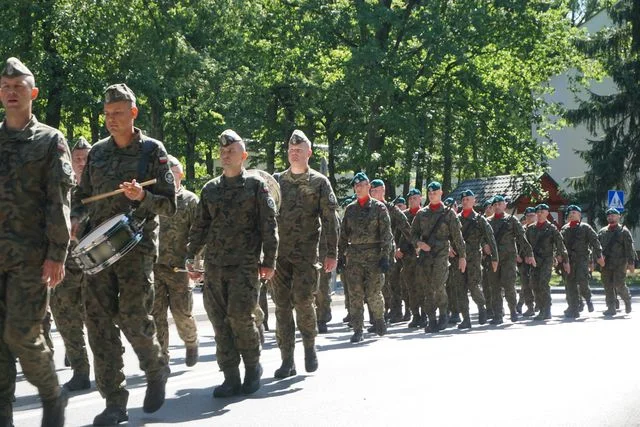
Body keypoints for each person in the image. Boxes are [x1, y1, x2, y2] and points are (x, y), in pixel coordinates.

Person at [71, 83, 176, 425]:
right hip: (99, 250)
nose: (111, 119)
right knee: (98, 324)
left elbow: (170, 206)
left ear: (133, 113)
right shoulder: (98, 153)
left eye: (117, 113)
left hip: (137, 245)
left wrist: (141, 199)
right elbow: (81, 196)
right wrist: (75, 220)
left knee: (133, 317)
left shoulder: (151, 152)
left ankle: (155, 367)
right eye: (107, 114)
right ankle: (114, 402)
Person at [0, 57, 73, 427]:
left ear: (33, 93)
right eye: (6, 87)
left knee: (22, 334)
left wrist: (56, 253)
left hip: (30, 258)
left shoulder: (49, 140)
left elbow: (57, 200)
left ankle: (51, 393)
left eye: (19, 87)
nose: (11, 93)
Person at [186, 129, 278, 397]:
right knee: (219, 323)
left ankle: (252, 368)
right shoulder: (211, 189)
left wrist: (269, 260)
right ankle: (230, 376)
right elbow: (199, 227)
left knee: (240, 318)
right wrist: (191, 257)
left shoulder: (256, 187)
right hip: (215, 268)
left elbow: (269, 226)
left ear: (243, 156)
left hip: (245, 267)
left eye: (232, 151)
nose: (226, 155)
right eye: (223, 151)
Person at [271, 130, 338, 378]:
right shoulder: (276, 181)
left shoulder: (319, 182)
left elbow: (330, 220)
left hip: (307, 256)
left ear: (309, 153)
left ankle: (309, 345)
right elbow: (266, 218)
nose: (294, 152)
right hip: (280, 256)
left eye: (299, 149)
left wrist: (332, 253)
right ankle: (287, 359)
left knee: (303, 302)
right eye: (291, 149)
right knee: (281, 307)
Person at [50, 137, 92, 392]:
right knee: (66, 319)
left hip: (92, 266)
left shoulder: (101, 188)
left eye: (85, 158)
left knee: (98, 320)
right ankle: (80, 371)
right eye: (76, 158)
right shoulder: (60, 188)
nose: (80, 162)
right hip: (64, 265)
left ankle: (110, 369)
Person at [152, 155, 199, 367]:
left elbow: (199, 234)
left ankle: (191, 342)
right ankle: (162, 358)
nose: (169, 175)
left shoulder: (190, 201)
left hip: (179, 268)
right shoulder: (154, 200)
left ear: (181, 174)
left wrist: (196, 263)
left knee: (182, 313)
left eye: (173, 171)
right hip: (155, 267)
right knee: (156, 316)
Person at [338, 173, 393, 343]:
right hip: (354, 257)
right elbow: (343, 235)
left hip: (374, 257)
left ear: (368, 186)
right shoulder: (350, 209)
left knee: (373, 293)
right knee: (355, 294)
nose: (358, 188)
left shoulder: (379, 208)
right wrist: (340, 256)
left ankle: (379, 320)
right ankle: (357, 329)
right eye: (356, 185)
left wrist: (385, 257)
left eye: (361, 184)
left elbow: (386, 235)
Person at [411, 181, 466, 332]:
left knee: (438, 285)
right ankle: (431, 319)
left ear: (441, 193)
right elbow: (413, 233)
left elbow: (457, 237)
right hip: (426, 255)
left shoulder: (449, 213)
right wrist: (419, 243)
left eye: (435, 193)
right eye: (430, 193)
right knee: (428, 288)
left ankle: (443, 316)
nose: (432, 195)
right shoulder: (421, 213)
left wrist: (462, 256)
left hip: (441, 253)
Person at [451, 190, 498, 329]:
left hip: (473, 258)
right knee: (460, 288)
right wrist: (448, 248)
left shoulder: (479, 219)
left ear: (474, 201)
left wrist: (495, 257)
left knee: (473, 286)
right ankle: (466, 319)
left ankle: (482, 307)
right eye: (463, 199)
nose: (465, 201)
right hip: (458, 258)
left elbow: (490, 238)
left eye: (468, 199)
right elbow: (446, 235)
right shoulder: (455, 219)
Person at [487, 195, 535, 324]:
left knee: (509, 285)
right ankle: (498, 314)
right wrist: (484, 246)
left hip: (508, 258)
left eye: (499, 204)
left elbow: (521, 238)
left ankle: (513, 311)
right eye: (495, 204)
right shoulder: (488, 221)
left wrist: (529, 253)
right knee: (495, 287)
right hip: (493, 259)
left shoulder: (512, 220)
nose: (497, 206)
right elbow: (481, 238)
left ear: (504, 205)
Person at [369, 179, 411, 324]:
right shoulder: (367, 209)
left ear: (383, 191)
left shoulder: (391, 208)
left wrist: (415, 244)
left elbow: (405, 226)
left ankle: (396, 311)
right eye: (372, 190)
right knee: (376, 284)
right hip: (371, 252)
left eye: (376, 190)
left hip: (389, 251)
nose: (373, 192)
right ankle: (380, 312)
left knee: (392, 282)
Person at [525, 204, 569, 321]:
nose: (539, 214)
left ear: (547, 213)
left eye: (542, 212)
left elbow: (560, 245)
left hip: (546, 260)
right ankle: (540, 306)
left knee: (543, 284)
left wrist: (565, 260)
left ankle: (546, 310)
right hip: (534, 260)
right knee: (534, 284)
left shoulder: (551, 228)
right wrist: (525, 255)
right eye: (538, 212)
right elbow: (525, 244)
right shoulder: (531, 228)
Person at [560, 205, 604, 318]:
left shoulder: (585, 227)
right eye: (569, 213)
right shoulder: (564, 228)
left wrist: (599, 256)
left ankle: (588, 298)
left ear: (579, 215)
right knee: (570, 285)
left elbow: (595, 242)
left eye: (574, 212)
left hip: (581, 259)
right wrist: (559, 257)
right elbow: (560, 245)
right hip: (568, 261)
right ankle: (574, 309)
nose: (571, 214)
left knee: (582, 280)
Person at [597, 208, 636, 316]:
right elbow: (597, 247)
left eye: (613, 215)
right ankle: (611, 307)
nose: (611, 217)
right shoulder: (602, 232)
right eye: (609, 216)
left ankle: (627, 300)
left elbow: (629, 248)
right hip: (606, 264)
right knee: (608, 285)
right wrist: (597, 259)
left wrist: (631, 263)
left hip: (620, 263)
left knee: (619, 284)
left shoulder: (623, 231)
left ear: (619, 217)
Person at [401, 189, 425, 327]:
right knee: (410, 287)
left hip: (422, 256)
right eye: (410, 199)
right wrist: (399, 248)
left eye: (415, 198)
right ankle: (415, 314)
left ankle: (425, 314)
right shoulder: (404, 215)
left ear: (420, 199)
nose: (412, 200)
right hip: (408, 256)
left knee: (422, 286)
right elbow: (399, 235)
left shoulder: (425, 214)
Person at [516, 207, 537, 316]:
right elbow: (516, 244)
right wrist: (518, 255)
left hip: (537, 260)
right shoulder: (522, 229)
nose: (530, 218)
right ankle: (526, 305)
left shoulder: (539, 228)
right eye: (528, 216)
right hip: (523, 261)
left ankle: (537, 304)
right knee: (526, 284)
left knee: (535, 283)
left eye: (532, 215)